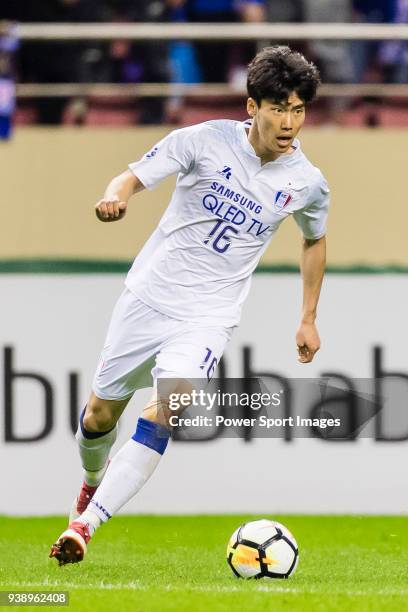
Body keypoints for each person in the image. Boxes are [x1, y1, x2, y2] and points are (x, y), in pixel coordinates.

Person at [49, 45, 329, 565]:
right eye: (278, 108)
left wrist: (308, 316)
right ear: (252, 107)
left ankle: (85, 525)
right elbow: (131, 175)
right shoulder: (202, 140)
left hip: (207, 315)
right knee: (98, 416)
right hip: (148, 297)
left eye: (298, 110)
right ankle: (92, 482)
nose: (289, 121)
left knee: (168, 411)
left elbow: (314, 240)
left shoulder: (307, 182)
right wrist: (117, 197)